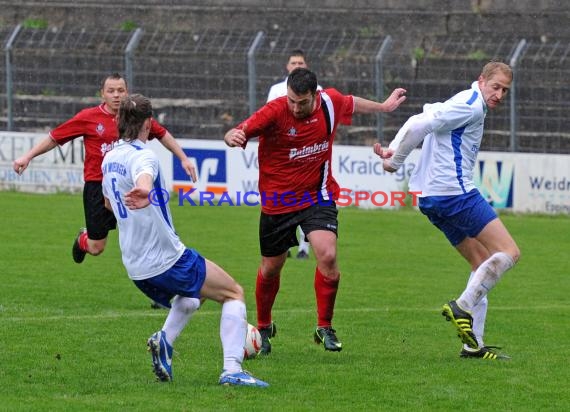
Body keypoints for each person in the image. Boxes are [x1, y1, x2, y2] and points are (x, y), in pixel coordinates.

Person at [224, 67, 406, 354]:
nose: (295, 108)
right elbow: (239, 130)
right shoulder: (274, 111)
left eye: (302, 102)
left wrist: (383, 106)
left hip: (316, 195)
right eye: (291, 101)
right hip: (278, 201)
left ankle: (324, 327)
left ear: (315, 96)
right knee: (271, 268)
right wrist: (232, 136)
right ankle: (264, 325)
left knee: (328, 255)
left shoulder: (329, 103)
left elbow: (351, 102)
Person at [101, 94, 268, 387]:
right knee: (233, 293)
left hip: (134, 264)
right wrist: (143, 190)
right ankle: (232, 370)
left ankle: (164, 340)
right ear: (149, 123)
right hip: (166, 258)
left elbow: (106, 203)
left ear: (118, 121)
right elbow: (144, 178)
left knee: (193, 296)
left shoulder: (110, 158)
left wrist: (137, 198)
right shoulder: (144, 156)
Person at [374, 61, 520, 360]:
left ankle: (473, 346)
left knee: (480, 262)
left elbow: (421, 118)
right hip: (455, 194)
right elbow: (418, 124)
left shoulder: (461, 100)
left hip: (432, 199)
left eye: (505, 90)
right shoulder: (472, 106)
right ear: (481, 80)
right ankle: (462, 307)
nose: (500, 95)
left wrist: (392, 152)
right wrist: (395, 162)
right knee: (509, 251)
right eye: (496, 87)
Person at [12, 73, 196, 266]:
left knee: (154, 233)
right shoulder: (88, 117)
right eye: (111, 91)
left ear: (127, 92)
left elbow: (162, 134)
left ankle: (163, 274)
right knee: (96, 247)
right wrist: (28, 156)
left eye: (121, 90)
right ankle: (83, 240)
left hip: (130, 186)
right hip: (98, 187)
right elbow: (55, 137)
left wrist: (183, 159)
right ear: (102, 94)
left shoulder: (136, 117)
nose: (116, 95)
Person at [267, 49, 321, 260]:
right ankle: (284, 246)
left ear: (305, 66)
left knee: (307, 203)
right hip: (282, 158)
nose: (297, 65)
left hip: (307, 157)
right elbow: (268, 117)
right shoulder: (277, 90)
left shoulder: (317, 90)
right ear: (287, 66)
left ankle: (303, 248)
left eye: (300, 62)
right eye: (293, 62)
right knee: (283, 204)